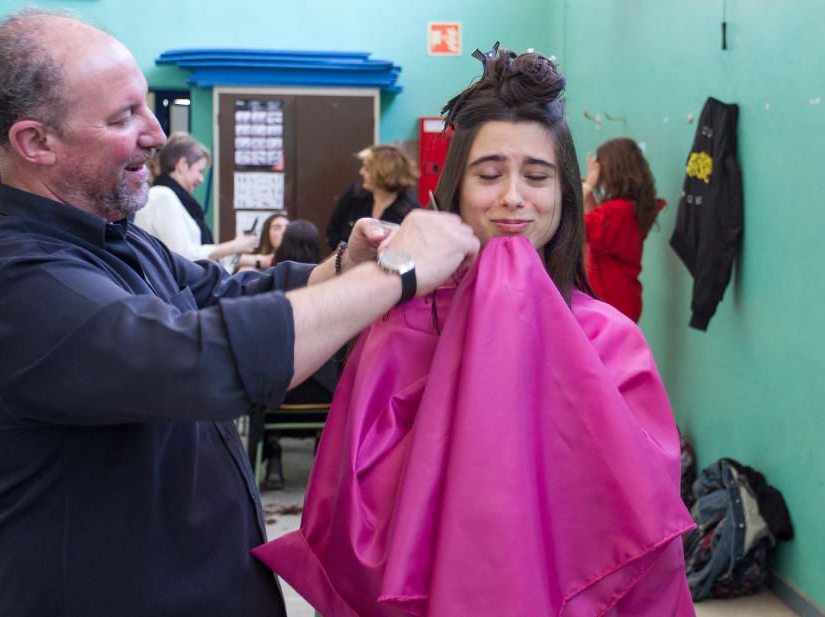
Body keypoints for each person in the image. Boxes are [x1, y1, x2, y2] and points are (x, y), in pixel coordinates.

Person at [0, 9, 478, 617]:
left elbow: (223, 295)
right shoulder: (6, 289)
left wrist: (344, 267)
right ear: (36, 142)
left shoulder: (117, 239)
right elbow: (198, 358)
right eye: (122, 117)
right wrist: (395, 276)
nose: (156, 135)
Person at [254, 46, 695, 617]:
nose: (513, 196)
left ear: (564, 193)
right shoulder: (397, 327)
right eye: (489, 174)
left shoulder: (611, 342)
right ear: (455, 190)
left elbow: (644, 543)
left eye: (536, 176)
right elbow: (349, 518)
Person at [252, 219, 338, 489]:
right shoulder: (334, 289)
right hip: (325, 399)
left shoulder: (267, 287)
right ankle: (321, 455)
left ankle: (273, 452)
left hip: (279, 396)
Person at [135, 131, 258, 263]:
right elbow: (184, 256)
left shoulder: (174, 199)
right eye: (199, 171)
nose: (201, 179)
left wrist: (256, 259)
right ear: (182, 165)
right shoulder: (162, 196)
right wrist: (235, 246)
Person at [582, 137, 665, 322]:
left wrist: (588, 185)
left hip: (610, 305)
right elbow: (595, 221)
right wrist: (587, 191)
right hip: (623, 299)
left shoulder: (619, 211)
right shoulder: (629, 209)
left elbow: (574, 223)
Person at [325, 144, 420, 249]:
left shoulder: (410, 211)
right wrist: (345, 256)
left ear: (383, 174)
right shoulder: (355, 194)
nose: (361, 172)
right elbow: (333, 232)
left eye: (366, 168)